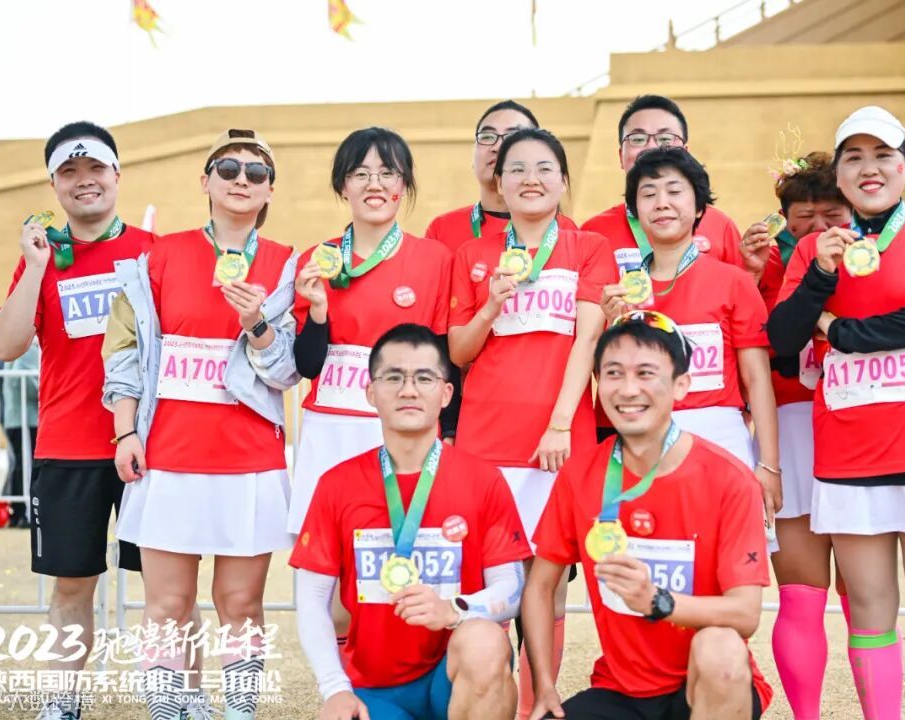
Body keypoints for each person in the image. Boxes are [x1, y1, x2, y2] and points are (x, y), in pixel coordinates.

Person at [768, 106, 905, 720]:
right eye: (855, 158)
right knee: (868, 612)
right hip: (849, 454)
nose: (870, 169)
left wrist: (844, 333)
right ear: (839, 175)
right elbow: (782, 338)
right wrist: (821, 277)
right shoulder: (816, 249)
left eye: (884, 156)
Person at [104, 128, 299, 720]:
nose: (242, 180)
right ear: (206, 181)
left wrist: (256, 323)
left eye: (256, 172)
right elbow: (125, 352)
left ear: (270, 190)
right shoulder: (159, 256)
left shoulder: (287, 264)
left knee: (241, 603)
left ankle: (239, 712)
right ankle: (170, 710)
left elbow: (287, 370)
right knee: (167, 604)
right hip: (169, 456)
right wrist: (125, 430)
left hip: (250, 459)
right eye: (228, 168)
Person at [523, 311, 772, 720]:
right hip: (621, 690)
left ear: (681, 385)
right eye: (613, 373)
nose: (628, 389)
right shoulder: (581, 474)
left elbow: (745, 614)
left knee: (721, 651)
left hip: (704, 685)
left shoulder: (729, 479)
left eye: (645, 373)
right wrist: (544, 686)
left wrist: (658, 601)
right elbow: (540, 586)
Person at [448, 127, 616, 718]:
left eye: (544, 168)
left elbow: (588, 339)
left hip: (559, 442)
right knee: (491, 585)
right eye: (516, 168)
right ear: (499, 182)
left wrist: (561, 423)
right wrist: (492, 305)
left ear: (563, 181)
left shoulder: (589, 247)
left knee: (548, 581)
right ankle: (490, 702)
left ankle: (537, 704)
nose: (530, 179)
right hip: (485, 441)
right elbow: (459, 352)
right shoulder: (472, 256)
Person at [0, 121, 152, 720]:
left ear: (117, 174)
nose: (85, 181)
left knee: (167, 586)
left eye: (95, 168)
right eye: (69, 172)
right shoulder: (42, 258)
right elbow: (6, 346)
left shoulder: (152, 250)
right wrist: (34, 267)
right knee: (72, 585)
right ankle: (63, 702)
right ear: (55, 184)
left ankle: (174, 698)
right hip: (67, 447)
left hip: (146, 446)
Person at [291, 324, 531, 720]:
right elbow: (313, 597)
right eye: (393, 377)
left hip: (452, 677)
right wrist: (334, 689)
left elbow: (513, 587)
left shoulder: (483, 480)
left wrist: (454, 609)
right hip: (374, 690)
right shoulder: (337, 484)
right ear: (371, 392)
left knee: (485, 641)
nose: (408, 390)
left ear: (446, 393)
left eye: (424, 378)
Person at [597, 147, 780, 524]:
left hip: (720, 439)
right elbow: (607, 380)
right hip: (640, 441)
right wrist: (612, 325)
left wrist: (769, 465)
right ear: (636, 210)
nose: (661, 203)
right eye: (648, 194)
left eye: (674, 191)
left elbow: (757, 378)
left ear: (699, 208)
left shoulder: (733, 281)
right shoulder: (620, 293)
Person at [289, 127, 454, 539]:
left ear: (404, 184)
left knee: (401, 547)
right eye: (360, 174)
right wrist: (319, 311)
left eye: (387, 173)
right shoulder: (318, 260)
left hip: (405, 427)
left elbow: (446, 357)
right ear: (343, 186)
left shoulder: (435, 260)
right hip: (330, 428)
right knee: (326, 554)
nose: (374, 184)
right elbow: (307, 366)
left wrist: (450, 431)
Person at [743, 151, 860, 719]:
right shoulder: (763, 262)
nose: (817, 228)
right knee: (801, 594)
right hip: (789, 425)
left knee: (865, 598)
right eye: (803, 217)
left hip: (861, 423)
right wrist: (749, 274)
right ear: (783, 216)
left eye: (831, 215)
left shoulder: (871, 255)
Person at [580, 94, 782, 278]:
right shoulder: (594, 233)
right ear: (621, 156)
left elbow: (739, 295)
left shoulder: (721, 227)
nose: (651, 147)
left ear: (685, 152)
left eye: (665, 139)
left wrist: (752, 272)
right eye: (638, 139)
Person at [424, 100, 575, 255]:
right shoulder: (442, 230)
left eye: (513, 136)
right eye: (487, 137)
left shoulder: (566, 231)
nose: (498, 147)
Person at [2, 337, 40, 528]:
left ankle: (17, 512)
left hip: (15, 417)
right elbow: (27, 383)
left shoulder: (14, 348)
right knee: (26, 465)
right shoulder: (29, 348)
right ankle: (24, 511)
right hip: (27, 418)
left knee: (20, 464)